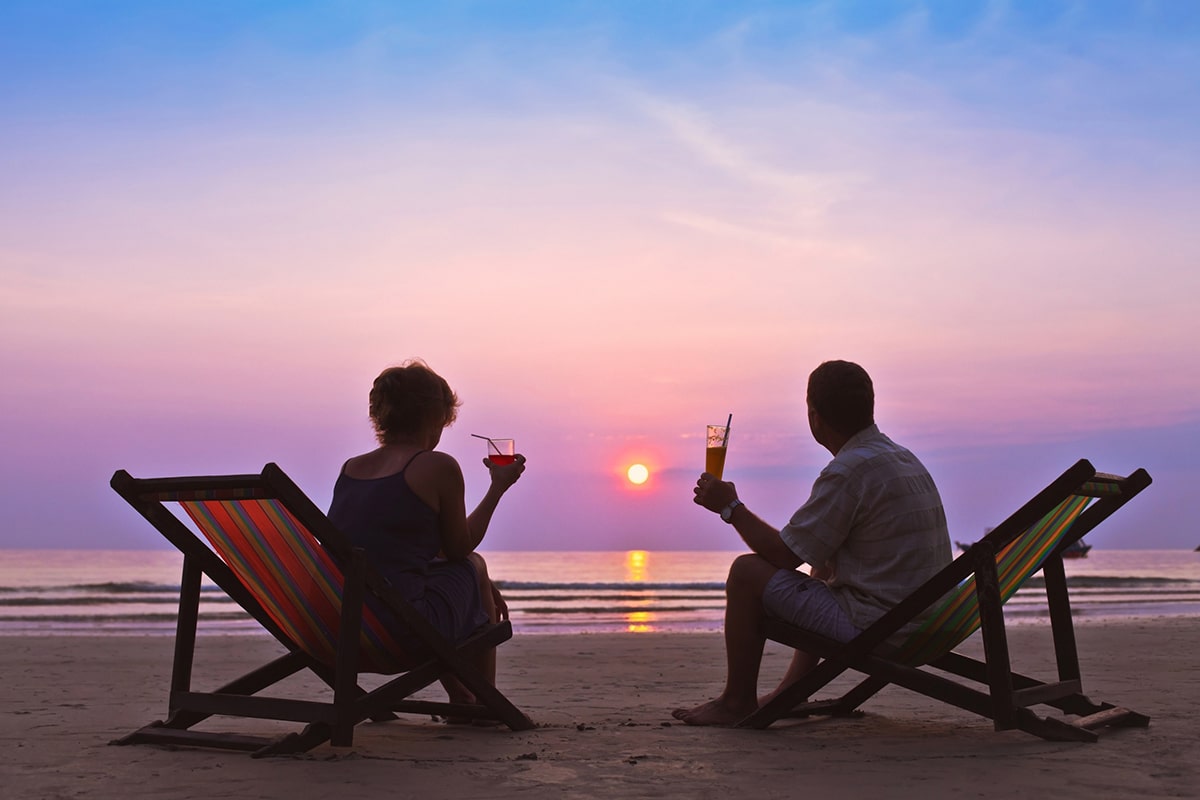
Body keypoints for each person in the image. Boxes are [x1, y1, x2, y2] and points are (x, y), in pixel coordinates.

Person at [673, 360, 951, 726]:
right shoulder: (899, 457)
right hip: (933, 620)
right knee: (823, 563)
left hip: (886, 627)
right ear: (869, 406)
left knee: (745, 572)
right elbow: (810, 553)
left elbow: (784, 556)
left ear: (814, 417)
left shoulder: (848, 471)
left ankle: (736, 701)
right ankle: (792, 690)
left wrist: (730, 507)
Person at [327, 359, 525, 709]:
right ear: (435, 418)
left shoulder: (351, 469)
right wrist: (498, 488)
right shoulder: (437, 466)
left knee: (429, 584)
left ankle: (461, 696)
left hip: (338, 630)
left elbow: (387, 552)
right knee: (474, 564)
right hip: (401, 635)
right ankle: (480, 703)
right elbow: (460, 548)